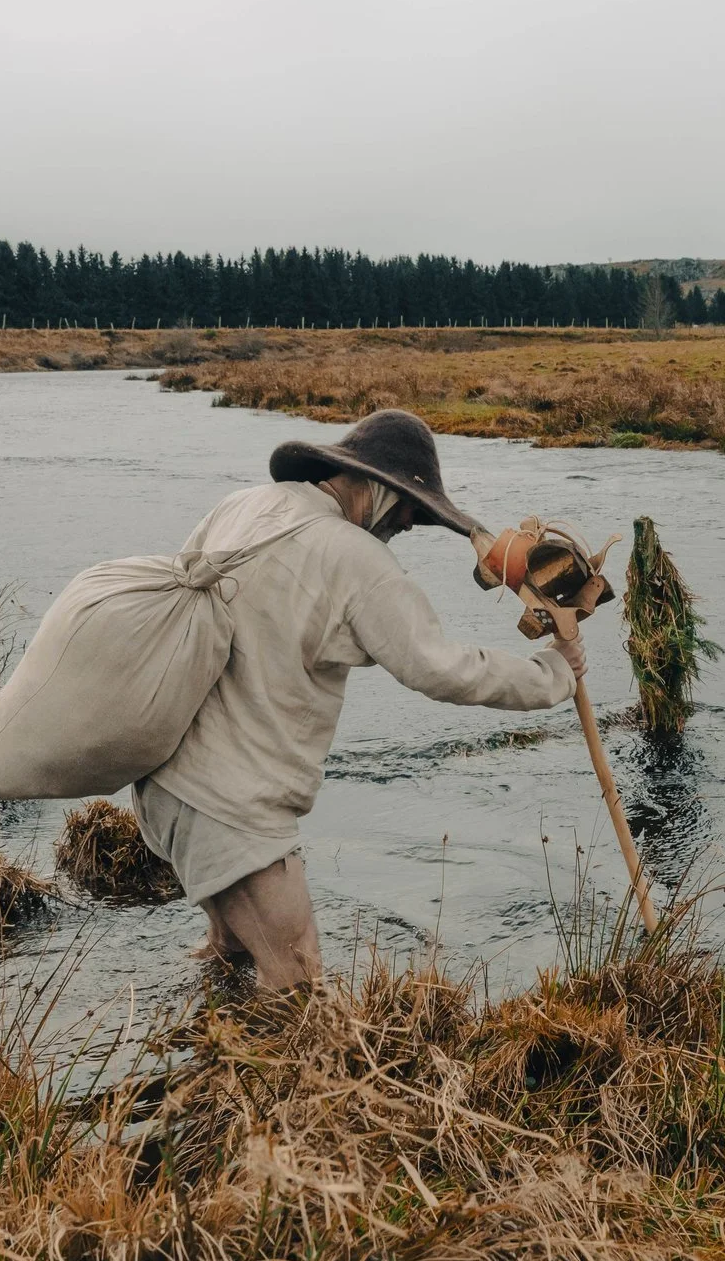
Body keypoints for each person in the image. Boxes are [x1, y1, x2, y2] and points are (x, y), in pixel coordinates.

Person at [136, 409, 582, 989]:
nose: (409, 525)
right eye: (411, 510)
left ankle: (189, 1040)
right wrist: (553, 673)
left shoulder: (239, 506)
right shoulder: (358, 559)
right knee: (297, 983)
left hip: (164, 782)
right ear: (380, 487)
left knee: (230, 956)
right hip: (232, 807)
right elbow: (438, 668)